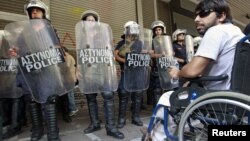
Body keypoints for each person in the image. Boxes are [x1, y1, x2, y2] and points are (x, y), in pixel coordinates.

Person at [7, 0, 72, 140]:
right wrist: (14, 52)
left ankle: (53, 133)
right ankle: (37, 129)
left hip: (47, 70)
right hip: (30, 71)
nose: (34, 12)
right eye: (32, 10)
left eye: (37, 10)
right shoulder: (24, 31)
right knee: (31, 99)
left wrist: (58, 52)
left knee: (49, 100)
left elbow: (57, 48)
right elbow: (18, 49)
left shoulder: (50, 29)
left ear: (43, 12)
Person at [166, 0, 245, 106]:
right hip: (237, 97)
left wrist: (178, 73)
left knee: (165, 98)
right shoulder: (238, 33)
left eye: (203, 13)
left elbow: (192, 70)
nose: (196, 19)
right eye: (196, 15)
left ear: (221, 16)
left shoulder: (216, 31)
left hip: (215, 96)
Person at [78, 10, 124, 139]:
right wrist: (78, 69)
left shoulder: (103, 35)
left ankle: (111, 127)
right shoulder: (81, 37)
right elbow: (80, 55)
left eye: (92, 20)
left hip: (102, 69)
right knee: (90, 97)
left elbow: (109, 53)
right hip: (88, 70)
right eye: (87, 21)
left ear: (96, 22)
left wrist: (112, 68)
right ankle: (95, 123)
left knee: (108, 95)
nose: (90, 22)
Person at [114, 21, 144, 129]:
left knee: (137, 95)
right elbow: (116, 56)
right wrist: (126, 61)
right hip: (126, 72)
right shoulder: (122, 42)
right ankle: (121, 119)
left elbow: (142, 55)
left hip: (137, 73)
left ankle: (135, 117)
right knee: (123, 95)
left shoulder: (139, 43)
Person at [148, 20, 166, 107]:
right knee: (157, 90)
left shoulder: (167, 40)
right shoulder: (152, 42)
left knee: (168, 89)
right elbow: (150, 55)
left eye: (159, 29)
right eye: (156, 30)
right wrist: (160, 55)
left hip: (167, 67)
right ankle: (158, 110)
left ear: (162, 30)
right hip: (157, 68)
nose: (157, 31)